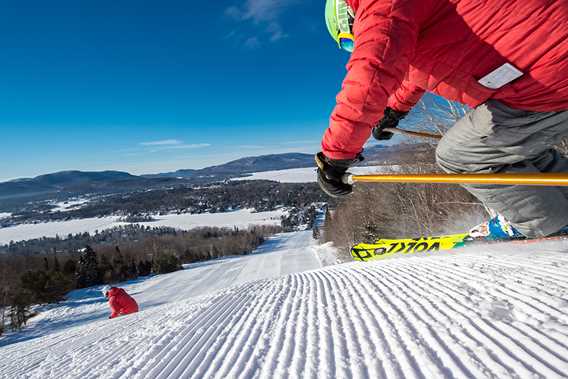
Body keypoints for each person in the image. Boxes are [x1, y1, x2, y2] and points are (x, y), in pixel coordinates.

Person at [317, 0, 568, 240]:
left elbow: (372, 71)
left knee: (459, 154)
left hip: (549, 77)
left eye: (349, 42)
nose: (355, 43)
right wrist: (394, 110)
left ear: (347, 16)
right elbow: (413, 70)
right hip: (551, 64)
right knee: (509, 147)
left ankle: (548, 223)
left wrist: (335, 156)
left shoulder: (378, 6)